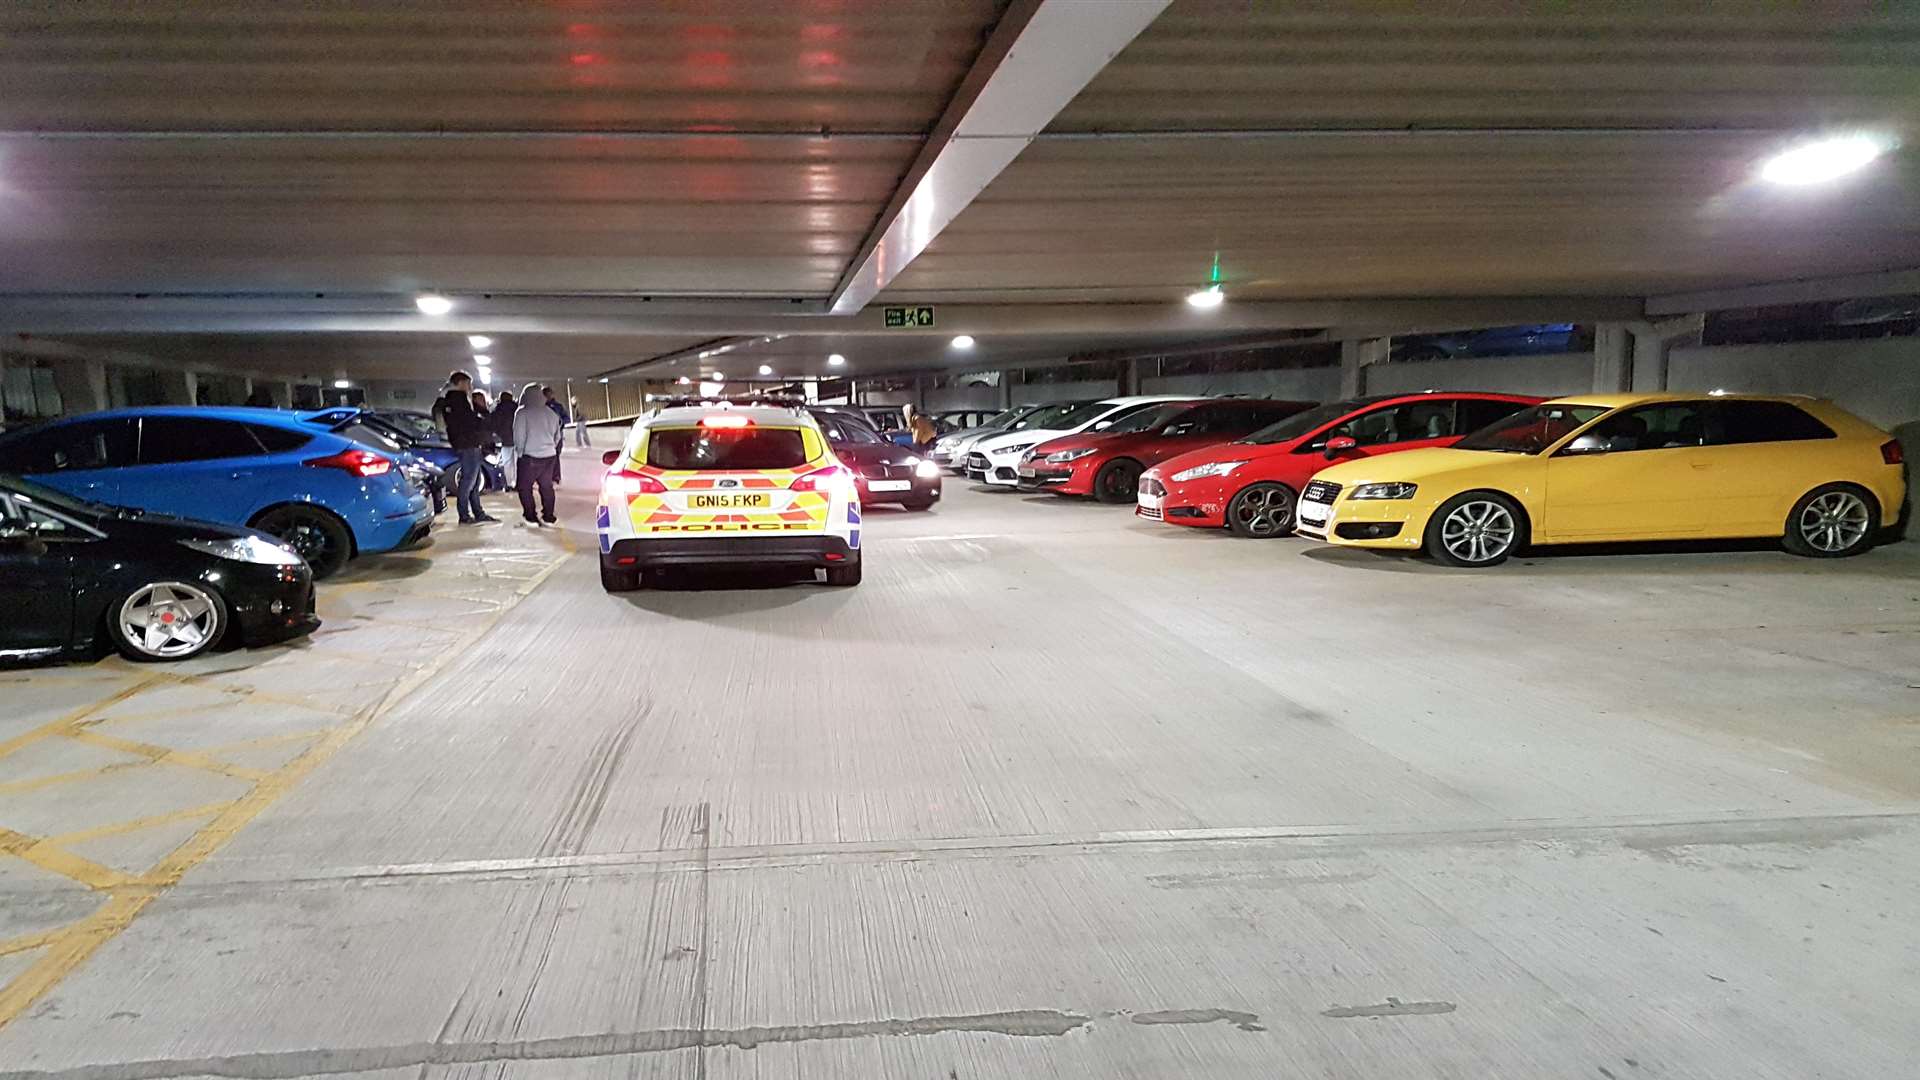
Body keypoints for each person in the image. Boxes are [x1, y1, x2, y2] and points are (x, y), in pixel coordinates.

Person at [439, 370, 497, 524]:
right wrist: (480, 416)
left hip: (465, 443)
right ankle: (464, 515)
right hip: (468, 444)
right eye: (468, 383)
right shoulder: (459, 401)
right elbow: (469, 422)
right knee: (469, 481)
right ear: (460, 383)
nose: (470, 387)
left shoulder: (450, 401)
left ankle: (478, 513)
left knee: (474, 481)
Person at [514, 381, 564, 526]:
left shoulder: (522, 412)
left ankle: (531, 515)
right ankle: (548, 515)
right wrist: (550, 448)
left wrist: (520, 452)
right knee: (546, 486)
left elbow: (519, 435)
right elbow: (557, 436)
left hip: (530, 456)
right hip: (549, 456)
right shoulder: (551, 413)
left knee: (525, 486)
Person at [472, 390, 506, 492]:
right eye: (481, 399)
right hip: (482, 445)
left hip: (485, 444)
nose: (483, 401)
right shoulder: (479, 414)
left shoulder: (484, 414)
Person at [492, 389, 519, 488]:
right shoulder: (517, 409)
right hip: (517, 439)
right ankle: (517, 482)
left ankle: (508, 483)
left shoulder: (498, 410)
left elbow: (494, 424)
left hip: (504, 440)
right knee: (517, 462)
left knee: (507, 463)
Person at [543, 386, 568, 482]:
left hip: (556, 435)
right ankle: (545, 476)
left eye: (549, 394)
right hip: (544, 435)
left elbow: (566, 418)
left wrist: (560, 422)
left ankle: (556, 476)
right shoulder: (540, 407)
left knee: (555, 456)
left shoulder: (558, 406)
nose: (547, 396)